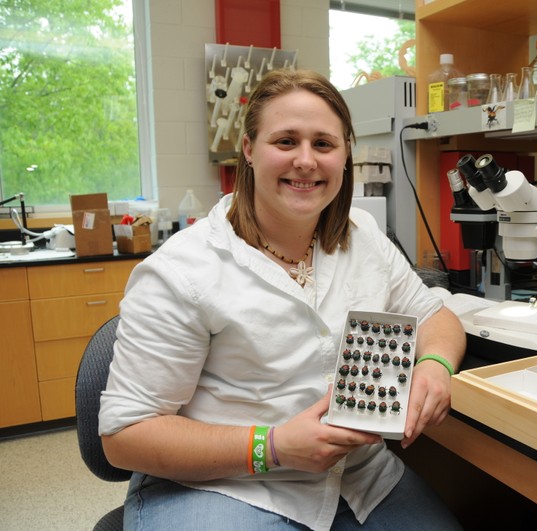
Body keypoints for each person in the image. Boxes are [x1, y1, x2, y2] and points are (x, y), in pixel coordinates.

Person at [98, 68, 466, 530]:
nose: (306, 161)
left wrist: (436, 365)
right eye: (286, 141)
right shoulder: (181, 271)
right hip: (223, 485)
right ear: (249, 150)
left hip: (358, 477)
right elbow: (124, 435)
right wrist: (270, 447)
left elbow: (435, 316)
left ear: (345, 155)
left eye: (324, 144)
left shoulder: (362, 237)